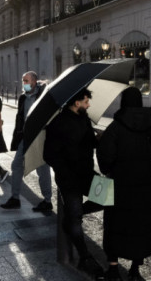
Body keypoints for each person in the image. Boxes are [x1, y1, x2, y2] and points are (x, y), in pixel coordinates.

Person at [97, 88, 151, 281]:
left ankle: (114, 269)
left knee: (115, 224)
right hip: (147, 184)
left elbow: (105, 161)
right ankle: (135, 268)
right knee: (141, 225)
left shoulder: (115, 128)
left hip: (119, 185)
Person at [43, 88, 105, 279]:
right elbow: (49, 155)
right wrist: (65, 171)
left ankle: (73, 215)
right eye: (86, 101)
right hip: (69, 179)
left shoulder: (84, 118)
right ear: (76, 102)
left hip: (86, 173)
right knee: (76, 222)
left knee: (107, 197)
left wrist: (98, 138)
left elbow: (89, 144)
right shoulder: (57, 124)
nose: (88, 105)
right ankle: (85, 257)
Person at [0, 71, 53, 212]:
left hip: (40, 136)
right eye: (23, 80)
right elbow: (20, 117)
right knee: (16, 165)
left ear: (34, 82)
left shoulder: (43, 97)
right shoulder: (23, 97)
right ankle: (15, 198)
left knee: (42, 169)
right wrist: (18, 134)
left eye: (26, 81)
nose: (24, 83)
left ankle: (47, 201)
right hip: (25, 137)